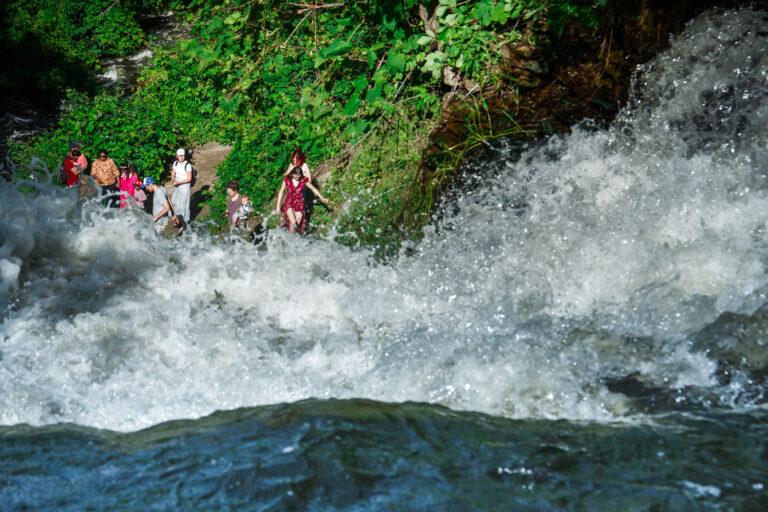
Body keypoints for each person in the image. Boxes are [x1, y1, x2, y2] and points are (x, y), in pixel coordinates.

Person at [276, 165, 329, 234]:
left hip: (299, 204)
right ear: (292, 174)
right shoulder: (287, 179)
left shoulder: (303, 180)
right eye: (296, 175)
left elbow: (313, 188)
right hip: (289, 203)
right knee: (293, 222)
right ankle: (290, 238)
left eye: (299, 175)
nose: (298, 177)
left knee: (296, 224)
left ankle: (291, 237)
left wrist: (322, 197)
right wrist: (278, 206)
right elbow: (281, 191)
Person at [171, 148, 192, 225]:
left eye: (183, 155)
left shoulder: (187, 165)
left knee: (184, 204)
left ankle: (185, 221)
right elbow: (173, 173)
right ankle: (177, 219)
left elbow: (189, 179)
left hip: (184, 185)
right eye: (180, 156)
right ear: (177, 156)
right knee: (175, 202)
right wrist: (173, 179)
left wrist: (178, 182)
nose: (181, 157)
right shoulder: (175, 163)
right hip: (177, 184)